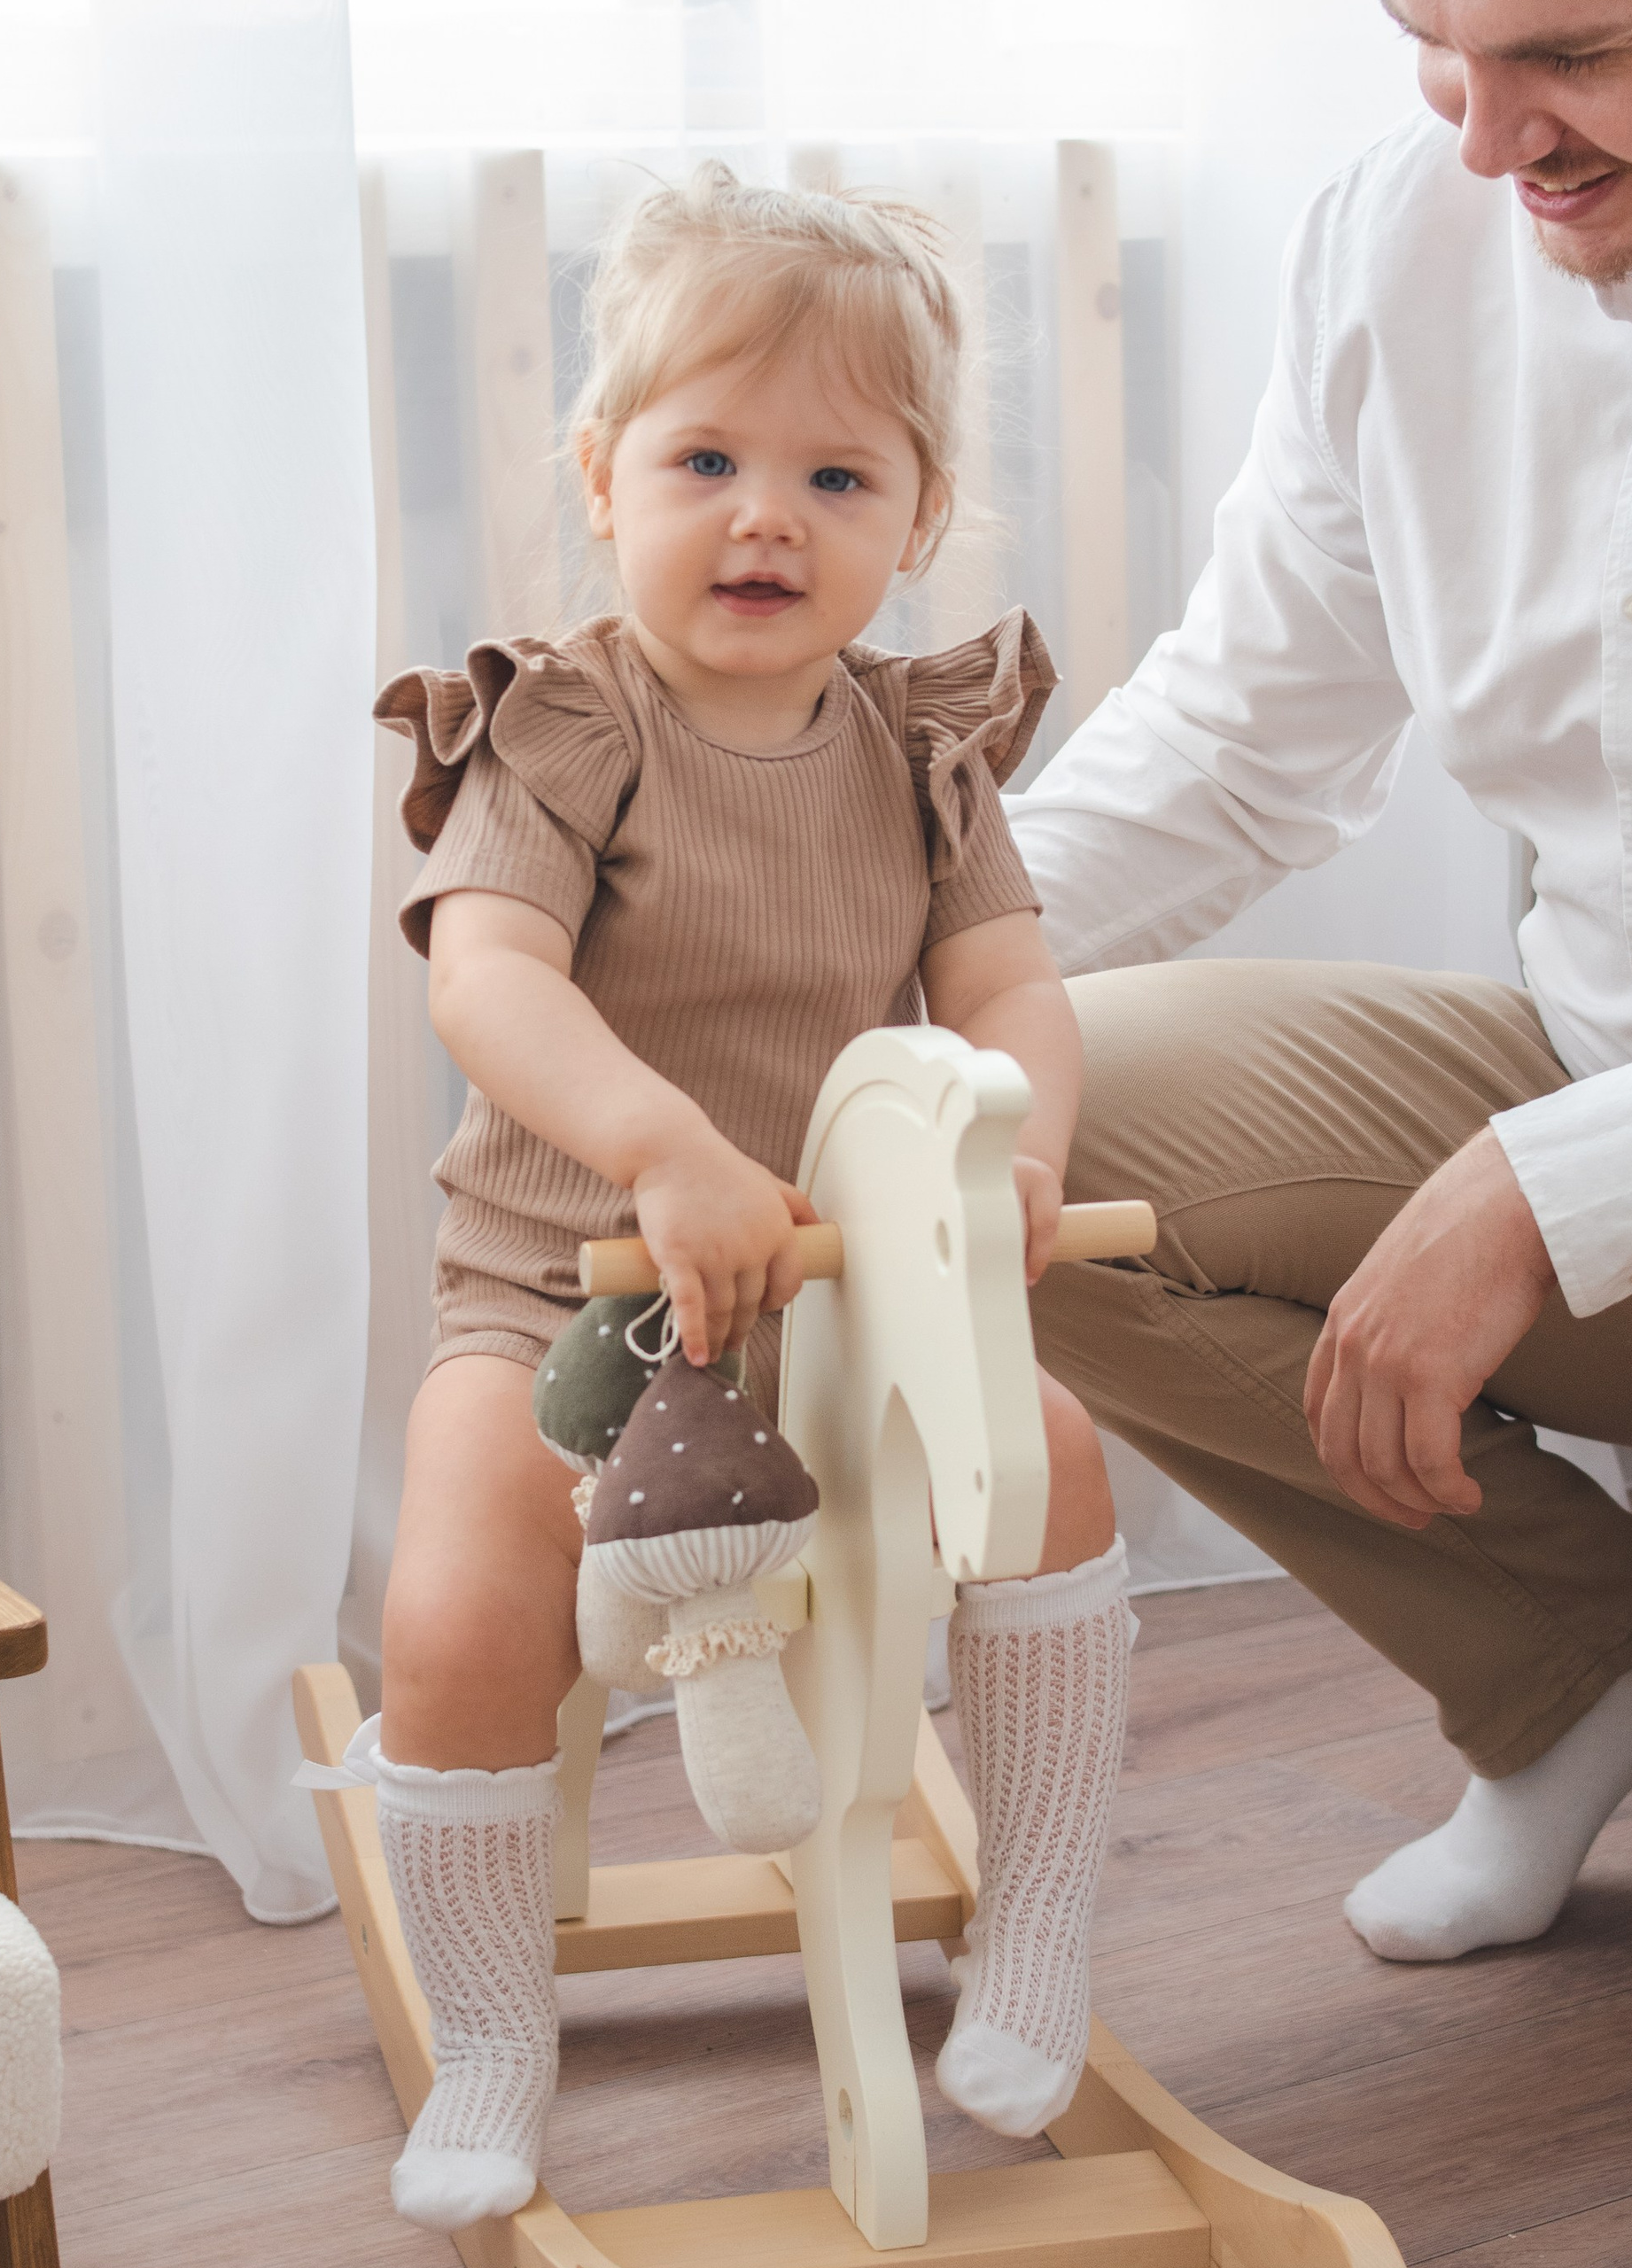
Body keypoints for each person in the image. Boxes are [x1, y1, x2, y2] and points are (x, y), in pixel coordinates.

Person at [1010, 0, 1632, 1966]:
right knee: (1006, 1115)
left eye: (1570, 52)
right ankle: (1578, 1664)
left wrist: (1547, 1179)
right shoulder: (1390, 238)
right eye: (1434, 41)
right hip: (1616, 1104)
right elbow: (1241, 733)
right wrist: (850, 1008)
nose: (1489, 139)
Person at [363, 167, 1130, 2233]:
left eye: (832, 472)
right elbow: (485, 973)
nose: (763, 514)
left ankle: (1038, 1919)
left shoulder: (921, 751)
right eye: (703, 458)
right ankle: (494, 2037)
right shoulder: (568, 724)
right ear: (602, 477)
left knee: (1051, 1457)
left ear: (915, 517)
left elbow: (1009, 991)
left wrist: (1021, 1141)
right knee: (447, 1606)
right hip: (562, 1291)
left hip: (837, 1298)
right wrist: (660, 1146)